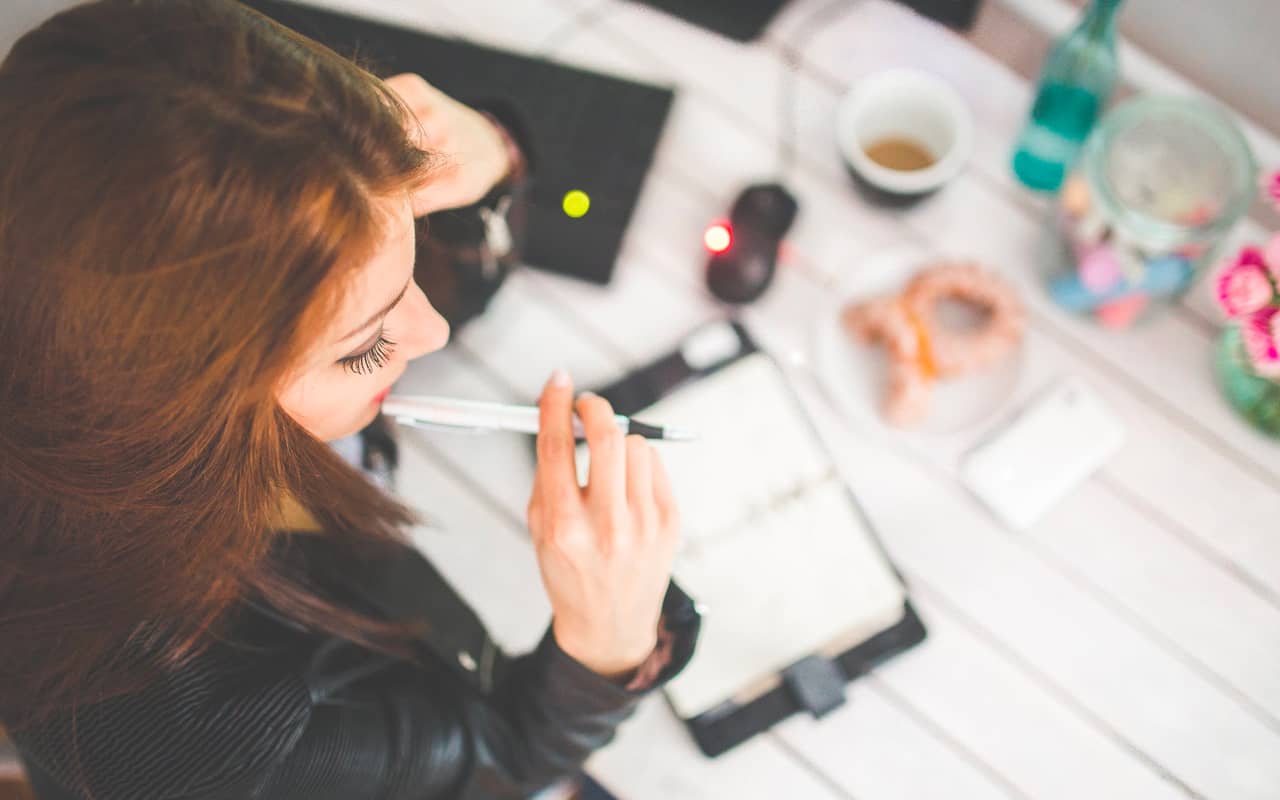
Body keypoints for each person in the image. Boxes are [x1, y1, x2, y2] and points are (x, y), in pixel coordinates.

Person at [0, 2, 700, 798]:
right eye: (364, 345)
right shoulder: (193, 734)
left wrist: (490, 154)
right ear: (180, 404)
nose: (431, 331)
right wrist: (604, 646)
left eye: (411, 233)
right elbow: (501, 769)